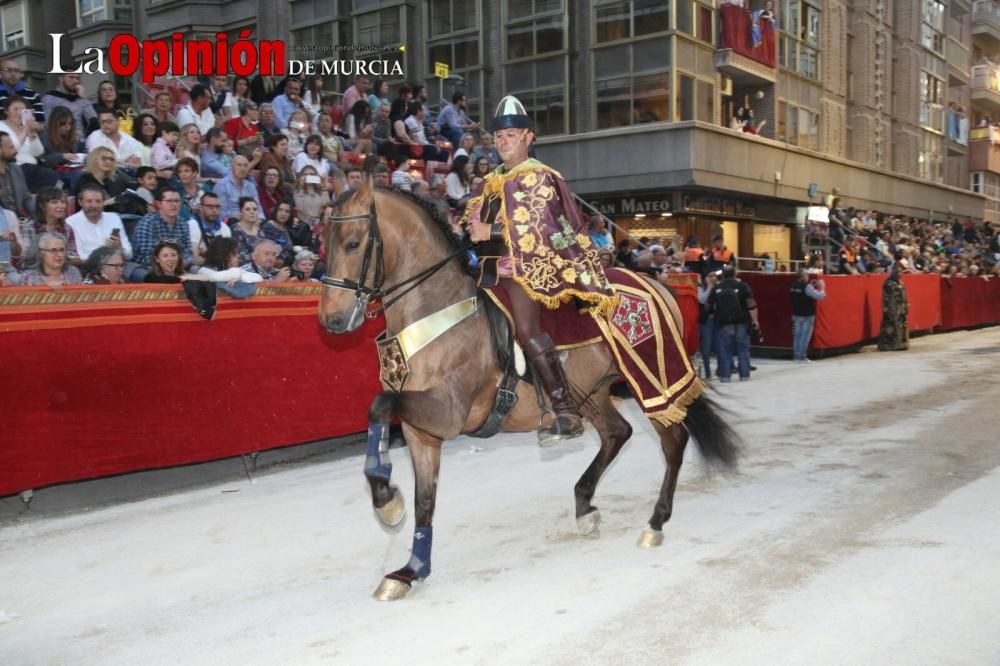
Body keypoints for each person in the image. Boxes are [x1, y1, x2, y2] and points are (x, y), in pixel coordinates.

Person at [461, 95, 615, 444]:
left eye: (511, 135)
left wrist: (492, 231)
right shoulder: (492, 180)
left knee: (527, 329)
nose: (503, 142)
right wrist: (474, 225)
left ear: (528, 138)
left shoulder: (539, 177)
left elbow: (543, 228)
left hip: (529, 269)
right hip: (489, 269)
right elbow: (478, 217)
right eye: (499, 137)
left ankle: (564, 409)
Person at [707, 264, 759, 382]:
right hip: (742, 321)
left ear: (723, 275)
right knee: (743, 348)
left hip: (724, 322)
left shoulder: (718, 288)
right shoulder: (743, 286)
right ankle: (744, 375)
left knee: (725, 349)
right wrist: (755, 320)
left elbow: (708, 305)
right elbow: (751, 304)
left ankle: (725, 377)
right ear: (735, 274)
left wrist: (712, 313)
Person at [0, 96, 60, 190]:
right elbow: (10, 149)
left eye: (23, 110)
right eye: (15, 109)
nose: (19, 113)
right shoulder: (1, 126)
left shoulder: (25, 127)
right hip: (14, 168)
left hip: (33, 168)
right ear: (6, 111)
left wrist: (31, 133)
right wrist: (25, 130)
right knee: (50, 176)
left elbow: (38, 152)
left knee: (58, 178)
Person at [66, 184, 132, 262]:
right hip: (88, 268)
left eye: (98, 201)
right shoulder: (71, 222)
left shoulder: (114, 218)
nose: (94, 205)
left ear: (103, 202)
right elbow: (75, 258)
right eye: (89, 201)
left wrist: (119, 247)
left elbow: (129, 254)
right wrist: (103, 253)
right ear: (80, 202)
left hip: (117, 264)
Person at [132, 189, 193, 267]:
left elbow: (188, 252)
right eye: (169, 201)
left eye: (177, 201)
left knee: (205, 273)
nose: (174, 204)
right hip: (148, 268)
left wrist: (181, 264)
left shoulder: (183, 223)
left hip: (178, 266)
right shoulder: (148, 223)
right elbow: (147, 257)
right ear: (159, 204)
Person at [26, 187, 78, 262]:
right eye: (54, 202)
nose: (60, 206)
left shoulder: (67, 228)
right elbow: (27, 257)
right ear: (42, 205)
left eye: (62, 202)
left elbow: (72, 254)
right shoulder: (29, 227)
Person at [41, 72, 97, 138]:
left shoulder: (80, 98)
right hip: (60, 141)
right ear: (61, 78)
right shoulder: (49, 98)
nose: (75, 81)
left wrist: (84, 98)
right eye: (71, 77)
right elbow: (48, 125)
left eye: (77, 78)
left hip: (81, 141)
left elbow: (93, 119)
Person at [789, 269, 826, 362]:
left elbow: (802, 293)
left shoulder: (793, 286)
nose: (808, 277)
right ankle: (802, 356)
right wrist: (822, 287)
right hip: (807, 314)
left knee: (797, 335)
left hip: (797, 313)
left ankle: (796, 356)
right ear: (802, 277)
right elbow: (820, 296)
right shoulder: (807, 287)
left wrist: (810, 285)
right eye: (806, 275)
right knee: (805, 336)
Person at [187, 191, 230, 265]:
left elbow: (227, 256)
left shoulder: (224, 227)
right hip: (200, 268)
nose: (214, 210)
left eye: (217, 207)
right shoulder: (192, 225)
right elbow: (195, 258)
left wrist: (204, 253)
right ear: (200, 207)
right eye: (210, 207)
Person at [215, 155, 262, 221]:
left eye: (245, 166)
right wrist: (238, 216)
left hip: (251, 221)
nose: (242, 168)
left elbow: (259, 208)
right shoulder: (222, 185)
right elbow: (220, 212)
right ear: (232, 167)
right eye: (239, 165)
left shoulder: (251, 186)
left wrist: (261, 219)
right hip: (231, 221)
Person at [878, 263, 909, 351]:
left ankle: (901, 344)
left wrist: (906, 306)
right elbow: (888, 298)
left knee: (901, 325)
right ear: (893, 272)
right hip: (892, 308)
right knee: (890, 327)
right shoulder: (888, 283)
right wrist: (890, 310)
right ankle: (889, 345)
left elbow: (905, 296)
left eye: (901, 272)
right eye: (897, 272)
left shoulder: (901, 283)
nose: (900, 274)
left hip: (901, 308)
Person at [697, 270, 719, 379]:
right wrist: (709, 286)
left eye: (715, 276)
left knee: (720, 346)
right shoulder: (701, 287)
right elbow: (701, 300)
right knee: (706, 347)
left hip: (718, 320)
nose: (713, 278)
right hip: (706, 321)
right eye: (710, 276)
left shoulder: (720, 287)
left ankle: (721, 370)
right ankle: (707, 372)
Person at [231, 197, 264, 263]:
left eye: (255, 209)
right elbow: (240, 258)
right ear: (240, 212)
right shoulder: (235, 230)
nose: (252, 212)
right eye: (247, 209)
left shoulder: (260, 231)